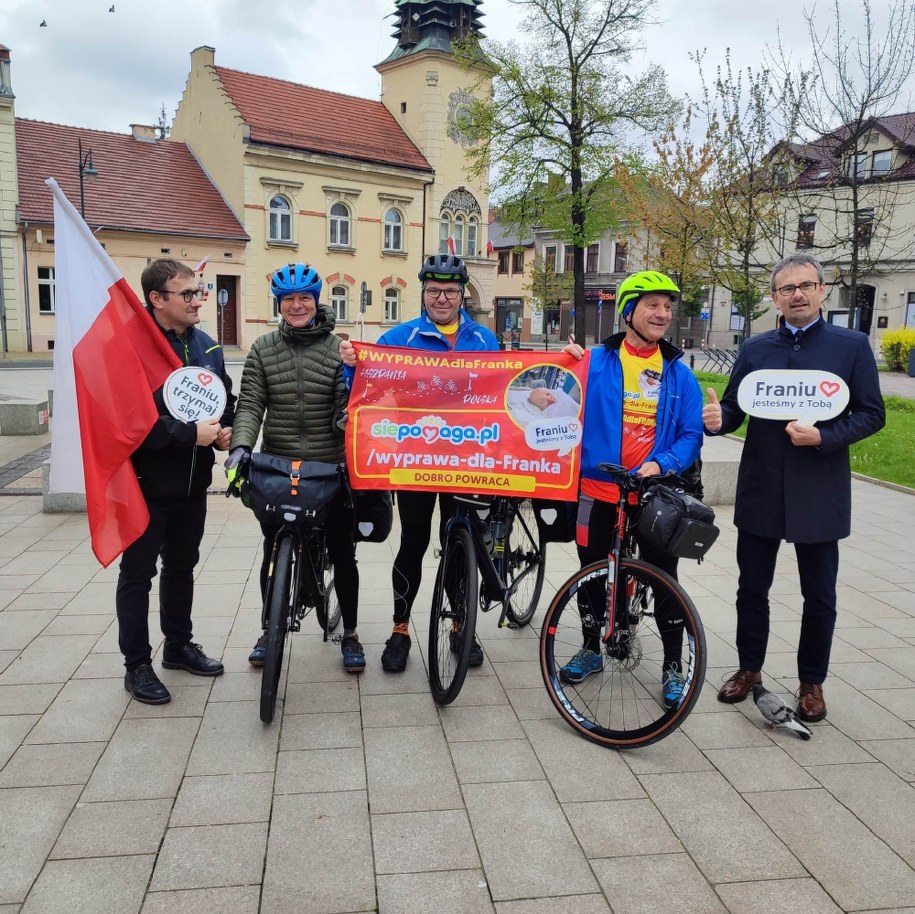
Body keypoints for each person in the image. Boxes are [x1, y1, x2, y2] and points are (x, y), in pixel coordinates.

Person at [704, 253, 885, 722]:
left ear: (822, 290)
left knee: (819, 594)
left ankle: (812, 682)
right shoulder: (756, 349)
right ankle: (749, 670)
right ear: (775, 298)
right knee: (751, 589)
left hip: (819, 491)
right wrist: (717, 420)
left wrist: (826, 436)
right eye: (787, 289)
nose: (797, 295)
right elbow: (734, 409)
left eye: (806, 285)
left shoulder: (851, 346)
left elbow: (872, 413)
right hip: (763, 486)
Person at [340, 253, 500, 673]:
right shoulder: (400, 338)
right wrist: (351, 366)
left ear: (462, 293)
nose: (442, 298)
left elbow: (505, 395)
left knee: (459, 541)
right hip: (416, 459)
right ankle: (400, 628)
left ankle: (460, 624)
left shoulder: (484, 340)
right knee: (412, 541)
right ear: (423, 293)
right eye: (434, 290)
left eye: (450, 290)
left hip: (468, 460)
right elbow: (366, 390)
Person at [562, 270, 703, 708]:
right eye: (652, 306)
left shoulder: (678, 372)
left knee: (664, 579)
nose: (663, 314)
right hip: (596, 490)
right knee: (590, 571)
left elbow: (690, 433)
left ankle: (673, 666)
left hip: (652, 496)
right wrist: (558, 368)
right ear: (629, 312)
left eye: (667, 307)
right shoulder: (594, 361)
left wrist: (664, 462)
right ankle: (591, 647)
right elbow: (555, 397)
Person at [226, 264, 364, 673]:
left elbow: (346, 404)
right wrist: (241, 449)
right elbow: (250, 404)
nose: (297, 305)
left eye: (304, 298)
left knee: (342, 553)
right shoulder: (263, 348)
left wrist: (346, 417)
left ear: (317, 301)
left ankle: (351, 634)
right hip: (279, 466)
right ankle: (269, 629)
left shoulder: (337, 348)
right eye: (288, 299)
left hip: (329, 467)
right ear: (279, 304)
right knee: (273, 551)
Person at [118, 259, 235, 705]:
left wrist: (223, 430)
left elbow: (223, 397)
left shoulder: (206, 345)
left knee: (182, 567)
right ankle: (136, 665)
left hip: (192, 484)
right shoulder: (133, 346)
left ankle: (178, 647)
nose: (197, 300)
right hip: (146, 485)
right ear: (157, 299)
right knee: (137, 575)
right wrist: (189, 433)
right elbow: (128, 422)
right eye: (186, 294)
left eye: (198, 291)